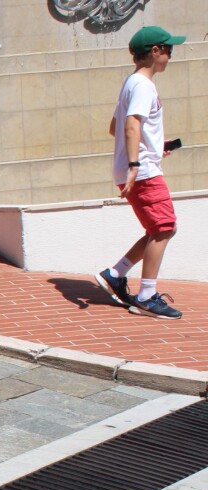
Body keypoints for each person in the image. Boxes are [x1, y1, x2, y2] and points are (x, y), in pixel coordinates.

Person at [93, 25, 185, 320]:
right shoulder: (144, 86)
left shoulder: (131, 83)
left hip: (141, 165)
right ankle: (146, 296)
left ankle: (115, 274)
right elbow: (131, 124)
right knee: (164, 227)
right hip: (142, 171)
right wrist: (135, 165)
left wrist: (155, 146)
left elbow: (115, 127)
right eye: (168, 50)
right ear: (155, 51)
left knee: (158, 228)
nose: (171, 56)